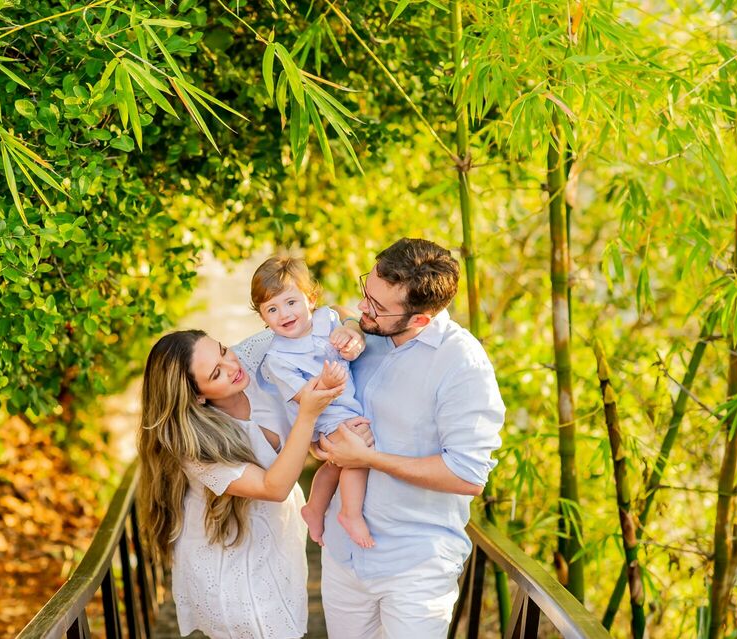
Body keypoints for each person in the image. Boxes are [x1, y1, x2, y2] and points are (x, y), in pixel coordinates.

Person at [318, 238, 505, 638]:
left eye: (377, 306)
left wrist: (367, 459)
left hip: (415, 568)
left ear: (420, 319)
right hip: (343, 555)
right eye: (367, 290)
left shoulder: (463, 364)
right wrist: (328, 447)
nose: (364, 306)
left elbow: (467, 475)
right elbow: (336, 315)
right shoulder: (366, 333)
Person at [136, 329, 360, 639]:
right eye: (216, 373)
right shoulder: (195, 446)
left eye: (223, 350)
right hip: (231, 558)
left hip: (278, 542)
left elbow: (314, 322)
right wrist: (308, 415)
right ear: (197, 396)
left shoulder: (250, 359)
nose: (232, 366)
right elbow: (273, 488)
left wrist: (351, 330)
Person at [250, 255, 375, 548]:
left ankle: (314, 508)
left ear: (311, 299)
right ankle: (350, 514)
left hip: (347, 406)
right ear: (263, 317)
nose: (284, 314)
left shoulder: (327, 320)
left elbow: (351, 342)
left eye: (291, 302)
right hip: (324, 415)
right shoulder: (278, 357)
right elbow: (304, 398)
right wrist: (326, 384)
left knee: (335, 464)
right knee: (357, 455)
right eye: (272, 309)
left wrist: (350, 339)